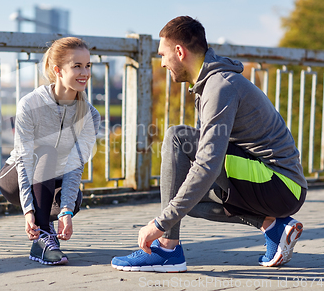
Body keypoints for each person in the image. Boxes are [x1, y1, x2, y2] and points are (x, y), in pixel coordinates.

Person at [111, 16, 307, 272]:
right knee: (183, 199)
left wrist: (160, 224)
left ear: (179, 52)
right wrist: (172, 210)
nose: (161, 63)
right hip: (276, 187)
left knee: (177, 138)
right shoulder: (211, 84)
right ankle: (273, 226)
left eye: (162, 54)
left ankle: (167, 249)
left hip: (280, 184)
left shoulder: (220, 86)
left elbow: (208, 164)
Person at [0, 37, 100, 265]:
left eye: (87, 66)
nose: (85, 72)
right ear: (58, 70)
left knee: (74, 201)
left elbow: (75, 166)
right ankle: (42, 238)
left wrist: (65, 211)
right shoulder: (31, 104)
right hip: (15, 179)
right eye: (77, 66)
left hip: (52, 180)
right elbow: (24, 159)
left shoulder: (90, 115)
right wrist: (28, 211)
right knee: (47, 150)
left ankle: (45, 234)